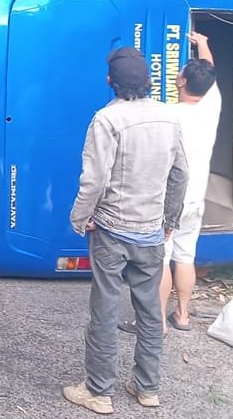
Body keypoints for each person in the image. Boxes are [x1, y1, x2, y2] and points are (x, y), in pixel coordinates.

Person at [64, 47, 188, 414]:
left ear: (110, 81)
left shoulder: (107, 119)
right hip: (151, 233)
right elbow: (181, 175)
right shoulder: (169, 117)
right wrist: (169, 220)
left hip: (112, 232)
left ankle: (99, 392)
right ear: (148, 81)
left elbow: (95, 179)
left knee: (105, 309)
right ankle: (147, 388)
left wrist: (79, 217)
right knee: (150, 312)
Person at [118, 32, 221, 336]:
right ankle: (183, 315)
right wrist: (203, 43)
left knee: (160, 259)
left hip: (169, 199)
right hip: (196, 198)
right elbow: (209, 70)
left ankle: (158, 321)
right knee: (186, 257)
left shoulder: (167, 114)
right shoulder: (212, 105)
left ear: (181, 82)